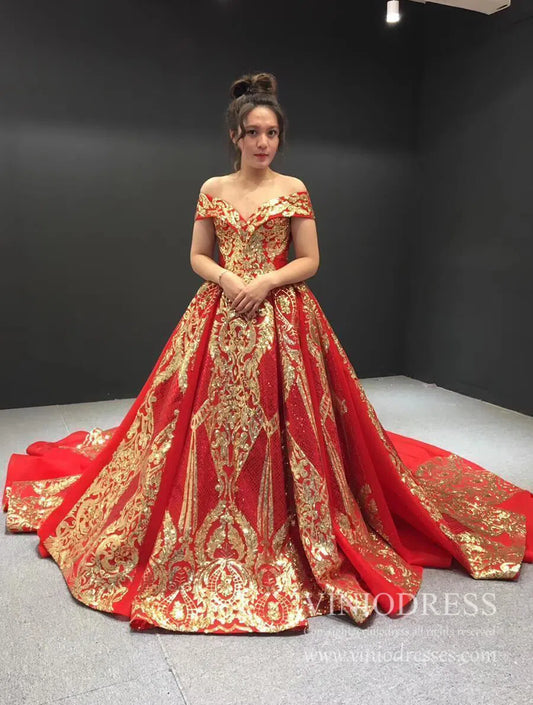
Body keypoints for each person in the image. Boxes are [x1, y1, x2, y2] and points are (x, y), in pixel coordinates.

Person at [3, 72, 533, 635]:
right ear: (235, 135)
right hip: (220, 312)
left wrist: (266, 282)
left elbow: (310, 260)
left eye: (272, 133)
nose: (263, 142)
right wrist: (229, 279)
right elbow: (197, 255)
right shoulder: (212, 187)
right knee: (191, 425)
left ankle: (289, 518)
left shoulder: (293, 187)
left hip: (282, 317)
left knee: (294, 423)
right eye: (253, 132)